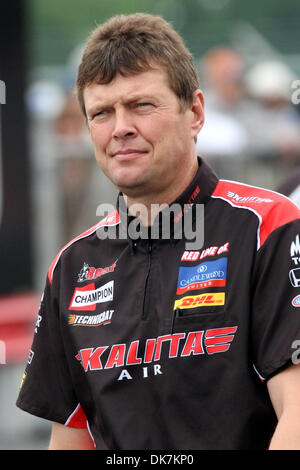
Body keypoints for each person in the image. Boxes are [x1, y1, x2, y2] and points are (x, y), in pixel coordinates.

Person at [16, 13, 300, 450]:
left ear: (195, 113)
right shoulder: (71, 267)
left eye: (141, 105)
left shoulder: (268, 226)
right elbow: (69, 441)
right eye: (102, 112)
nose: (121, 127)